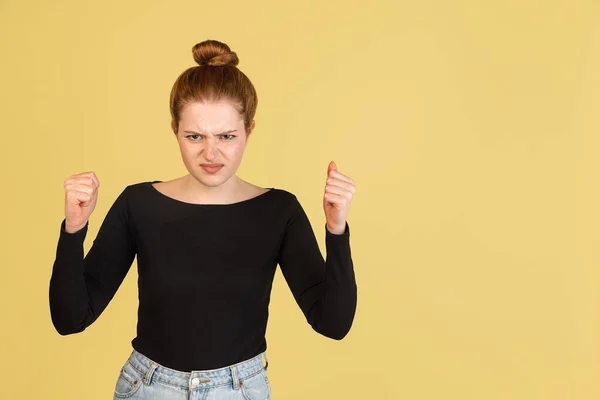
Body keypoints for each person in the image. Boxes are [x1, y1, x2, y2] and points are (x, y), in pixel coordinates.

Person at [49, 39, 357, 400]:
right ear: (174, 130)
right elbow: (70, 319)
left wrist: (336, 231)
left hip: (240, 390)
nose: (210, 153)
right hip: (148, 389)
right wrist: (74, 229)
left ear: (249, 130)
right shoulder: (138, 204)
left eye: (227, 136)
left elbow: (333, 324)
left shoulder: (279, 212)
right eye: (194, 136)